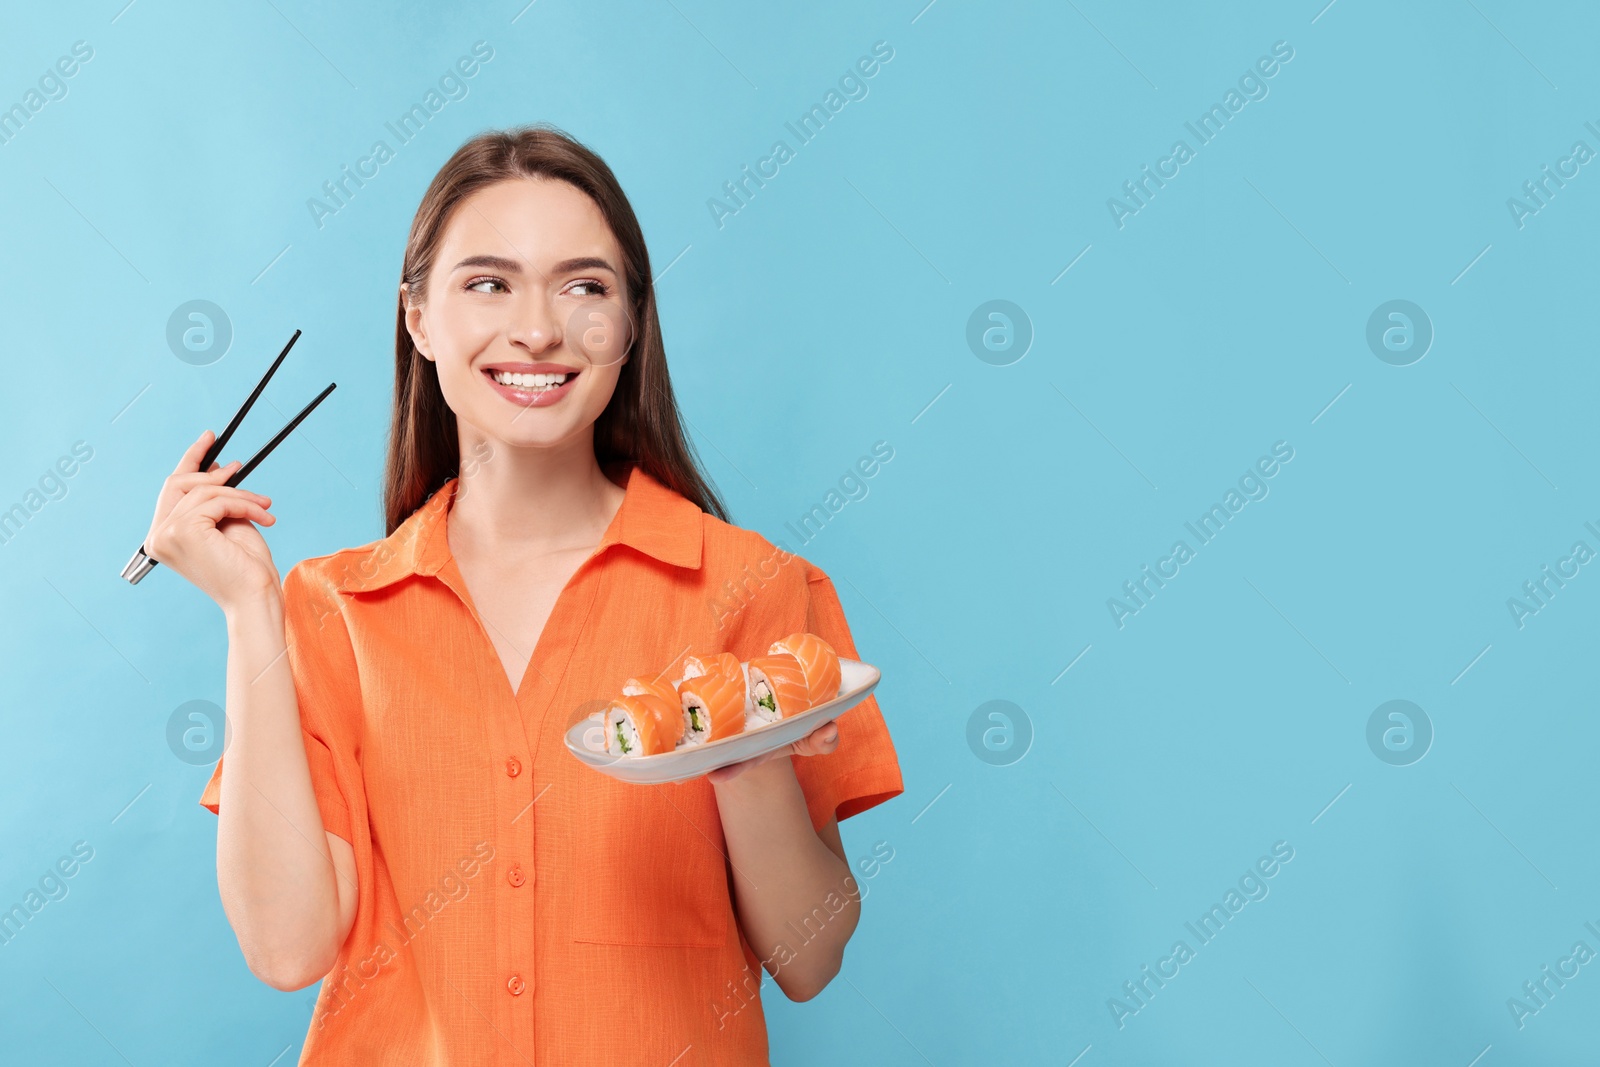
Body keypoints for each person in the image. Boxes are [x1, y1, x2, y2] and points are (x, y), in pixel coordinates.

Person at [142, 124, 903, 1065]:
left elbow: (810, 955)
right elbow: (287, 946)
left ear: (630, 324)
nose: (538, 328)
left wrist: (742, 759)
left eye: (585, 286)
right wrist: (248, 611)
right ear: (418, 318)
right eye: (488, 283)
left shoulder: (757, 589)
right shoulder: (328, 609)